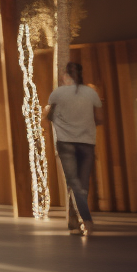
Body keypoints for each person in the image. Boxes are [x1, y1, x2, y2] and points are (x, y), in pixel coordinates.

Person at [45, 61, 103, 236]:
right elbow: (99, 118)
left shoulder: (57, 94)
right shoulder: (91, 92)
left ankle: (85, 221)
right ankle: (82, 222)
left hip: (66, 143)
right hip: (87, 142)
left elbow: (49, 116)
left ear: (65, 76)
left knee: (74, 184)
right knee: (82, 184)